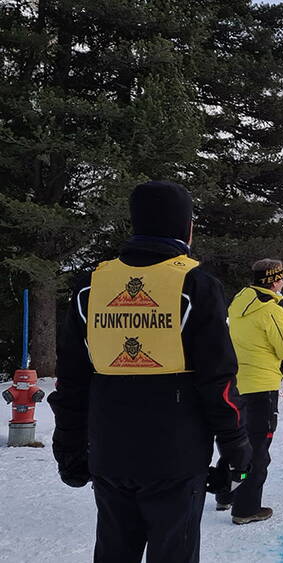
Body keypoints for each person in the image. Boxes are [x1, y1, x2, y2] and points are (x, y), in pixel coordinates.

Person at [49, 181, 252, 561]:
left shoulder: (91, 287)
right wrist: (235, 446)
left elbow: (72, 380)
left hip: (110, 451)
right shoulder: (195, 286)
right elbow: (218, 380)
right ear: (185, 228)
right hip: (175, 455)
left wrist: (69, 447)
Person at [217, 258, 283, 524]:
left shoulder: (239, 301)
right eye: (281, 279)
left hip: (237, 382)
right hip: (262, 385)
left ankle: (225, 494)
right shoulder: (270, 310)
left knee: (236, 440)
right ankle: (246, 508)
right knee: (258, 448)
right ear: (273, 280)